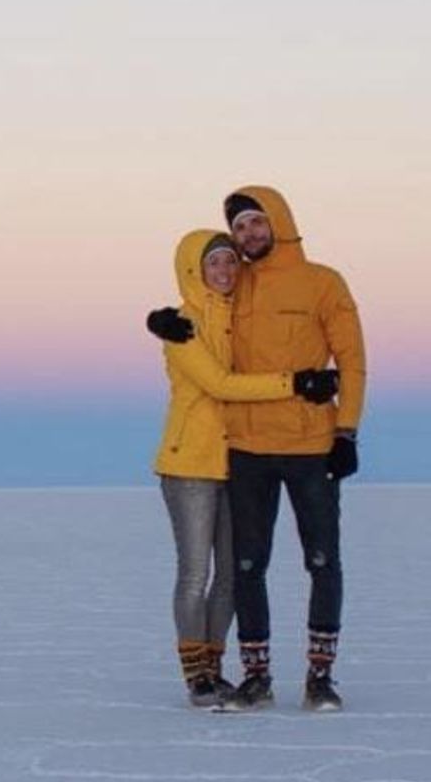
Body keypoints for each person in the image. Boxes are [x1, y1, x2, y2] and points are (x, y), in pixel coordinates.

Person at [149, 185, 365, 712]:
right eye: (239, 228)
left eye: (254, 223)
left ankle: (320, 677)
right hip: (243, 452)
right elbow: (205, 319)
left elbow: (352, 359)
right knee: (243, 569)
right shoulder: (232, 291)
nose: (246, 237)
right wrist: (162, 323)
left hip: (309, 447)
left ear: (279, 222)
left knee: (321, 562)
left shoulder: (322, 282)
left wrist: (346, 431)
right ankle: (252, 677)